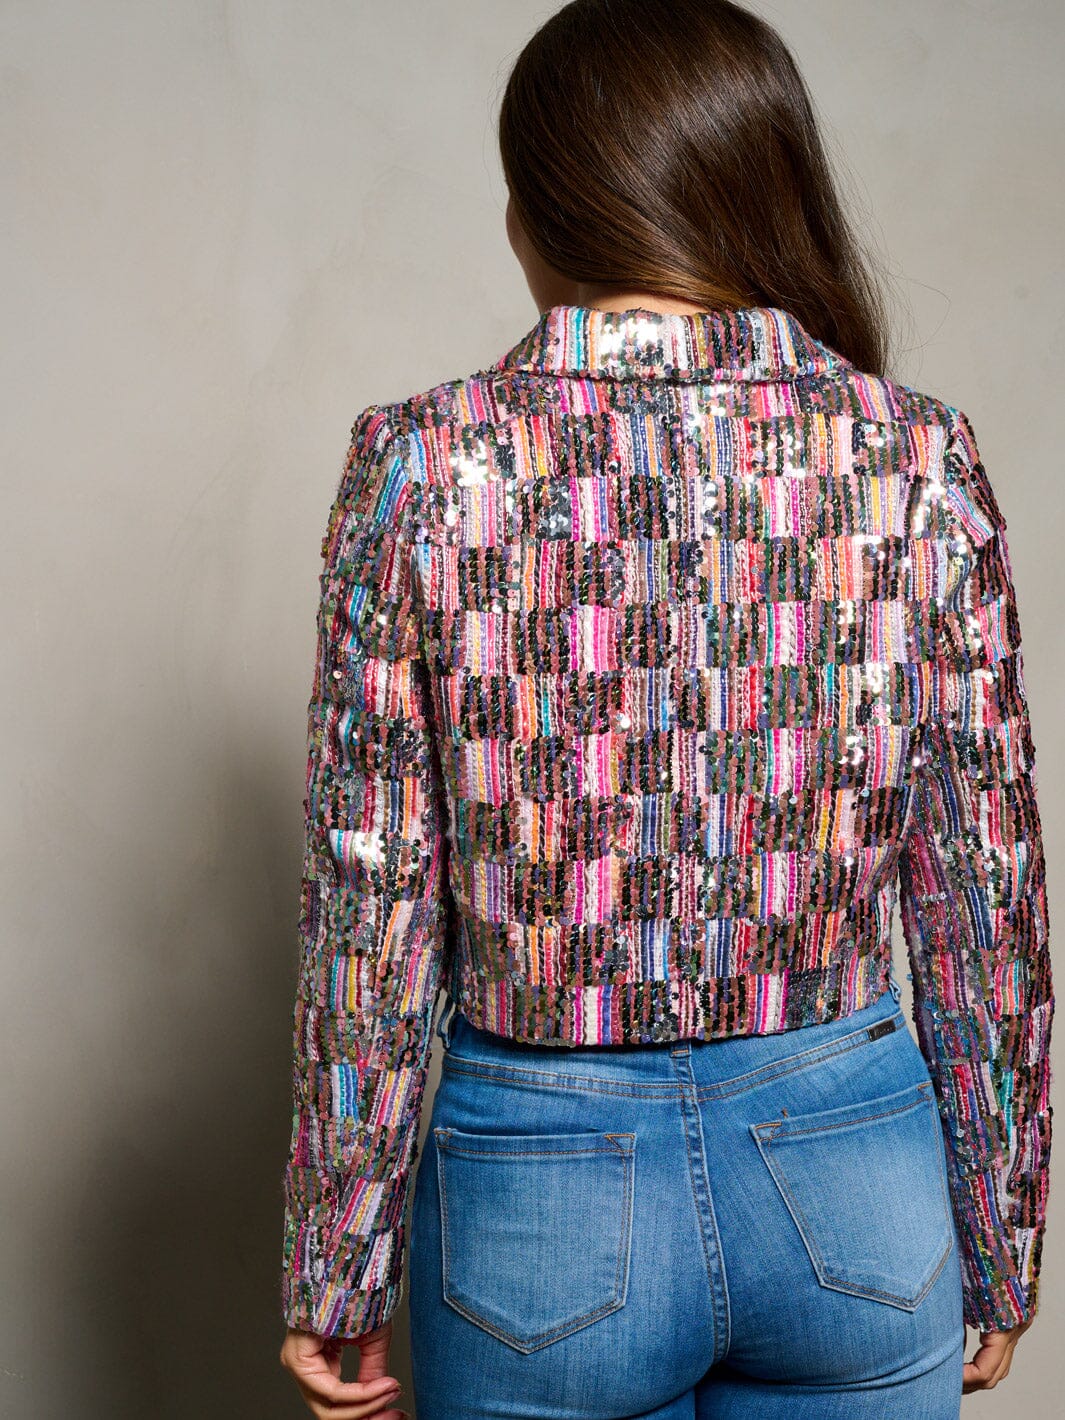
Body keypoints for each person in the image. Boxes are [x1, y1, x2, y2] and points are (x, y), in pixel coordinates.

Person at [278, 2, 1054, 1416]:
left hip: (535, 1191)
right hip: (853, 1178)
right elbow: (980, 882)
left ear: (535, 214)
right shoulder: (914, 457)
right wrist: (999, 1234)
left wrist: (340, 1268)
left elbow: (372, 897)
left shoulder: (419, 465)